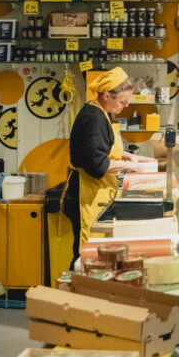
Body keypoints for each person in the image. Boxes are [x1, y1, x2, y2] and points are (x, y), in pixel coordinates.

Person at [64, 67, 142, 255]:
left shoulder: (101, 112)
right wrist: (131, 166)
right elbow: (97, 165)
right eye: (122, 101)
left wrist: (127, 156)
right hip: (86, 194)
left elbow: (97, 148)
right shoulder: (94, 118)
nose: (125, 106)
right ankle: (80, 284)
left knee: (96, 251)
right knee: (88, 252)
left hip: (94, 191)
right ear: (106, 95)